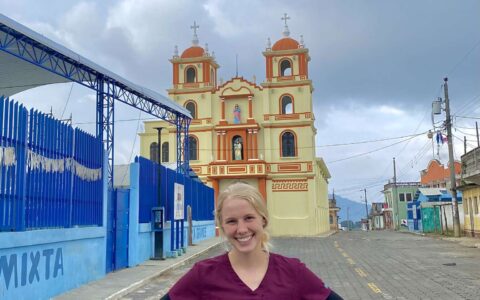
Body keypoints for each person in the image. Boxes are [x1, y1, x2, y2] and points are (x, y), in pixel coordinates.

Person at [165, 182, 343, 300]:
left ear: (263, 219)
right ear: (222, 226)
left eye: (249, 218)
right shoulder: (203, 274)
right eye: (231, 221)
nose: (241, 229)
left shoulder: (293, 272)